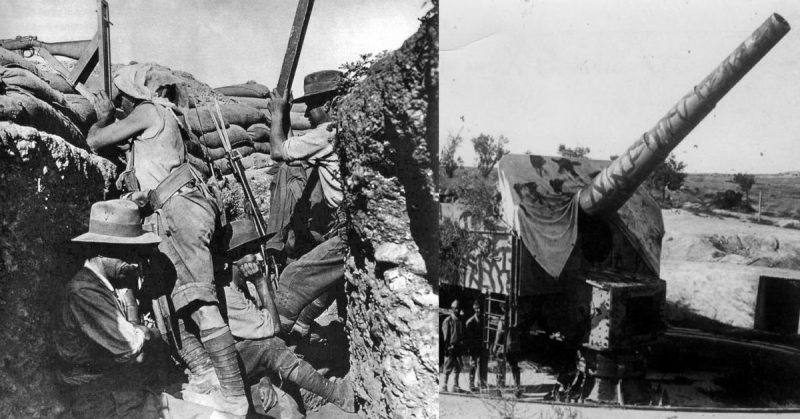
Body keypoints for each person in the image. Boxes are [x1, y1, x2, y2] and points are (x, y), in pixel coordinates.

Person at [85, 64, 247, 417]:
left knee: (200, 302)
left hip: (177, 212)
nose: (121, 105)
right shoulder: (167, 115)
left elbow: (95, 140)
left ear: (133, 96)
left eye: (121, 99)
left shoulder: (147, 111)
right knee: (170, 299)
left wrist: (103, 117)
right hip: (178, 211)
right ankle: (206, 374)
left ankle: (234, 396)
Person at [57, 199, 217, 418]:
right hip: (98, 398)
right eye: (129, 254)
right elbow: (129, 345)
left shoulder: (109, 285)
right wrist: (145, 331)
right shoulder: (85, 292)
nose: (135, 264)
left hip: (122, 388)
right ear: (102, 251)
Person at [218, 219, 357, 414]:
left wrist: (265, 377)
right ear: (235, 259)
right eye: (251, 251)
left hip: (255, 357)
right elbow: (270, 333)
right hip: (230, 370)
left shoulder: (245, 286)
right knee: (292, 278)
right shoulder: (229, 295)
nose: (258, 257)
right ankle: (336, 394)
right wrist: (261, 282)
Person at [265, 70, 346, 342]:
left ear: (328, 105)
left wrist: (277, 113)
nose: (308, 115)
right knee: (329, 282)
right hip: (348, 226)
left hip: (348, 230)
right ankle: (301, 330)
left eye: (312, 107)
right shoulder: (344, 130)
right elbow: (293, 147)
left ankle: (280, 344)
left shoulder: (327, 133)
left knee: (291, 278)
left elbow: (278, 151)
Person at [493, 301, 522, 398]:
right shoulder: (516, 318)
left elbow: (499, 333)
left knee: (500, 368)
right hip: (514, 346)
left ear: (503, 309)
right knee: (515, 367)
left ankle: (499, 390)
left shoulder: (503, 319)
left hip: (504, 346)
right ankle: (517, 388)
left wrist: (495, 346)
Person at [440, 299, 466, 392]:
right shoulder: (448, 320)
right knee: (447, 366)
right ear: (452, 309)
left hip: (458, 347)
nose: (457, 310)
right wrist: (447, 347)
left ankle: (455, 385)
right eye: (455, 308)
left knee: (457, 367)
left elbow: (462, 334)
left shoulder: (461, 320)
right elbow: (445, 336)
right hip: (450, 347)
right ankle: (444, 385)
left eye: (458, 308)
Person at [465, 299, 487, 391]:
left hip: (481, 346)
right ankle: (471, 384)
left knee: (482, 365)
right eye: (477, 309)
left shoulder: (484, 321)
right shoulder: (470, 322)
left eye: (480, 308)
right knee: (473, 365)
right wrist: (469, 348)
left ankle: (481, 383)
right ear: (474, 309)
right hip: (473, 347)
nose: (479, 310)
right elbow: (468, 337)